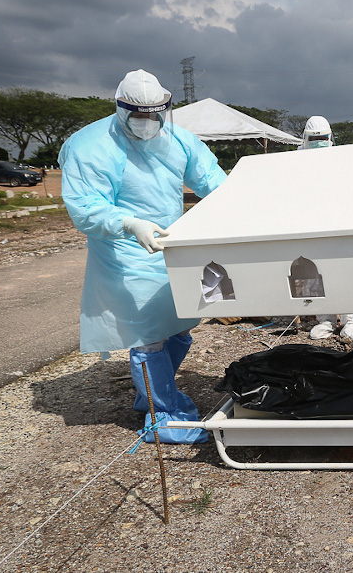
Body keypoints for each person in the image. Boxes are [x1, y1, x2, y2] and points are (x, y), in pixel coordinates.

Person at [59, 70, 227, 444]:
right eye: (139, 114)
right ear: (121, 108)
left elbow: (213, 181)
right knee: (147, 335)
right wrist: (128, 223)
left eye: (156, 114)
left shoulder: (178, 140)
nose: (148, 123)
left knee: (180, 325)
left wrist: (235, 209)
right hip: (124, 249)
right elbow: (85, 206)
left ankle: (148, 392)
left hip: (172, 244)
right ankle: (162, 417)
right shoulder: (89, 146)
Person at [297, 116, 353, 340]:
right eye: (314, 138)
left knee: (345, 270)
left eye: (322, 138)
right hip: (310, 223)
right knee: (314, 273)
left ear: (330, 137)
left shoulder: (341, 158)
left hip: (339, 223)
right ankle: (325, 320)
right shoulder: (295, 161)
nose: (319, 142)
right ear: (306, 138)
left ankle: (350, 321)